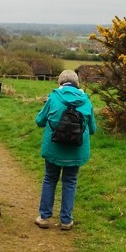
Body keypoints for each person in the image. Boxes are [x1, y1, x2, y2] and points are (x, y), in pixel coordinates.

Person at [35, 70, 97, 230]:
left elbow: (40, 121)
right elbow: (93, 129)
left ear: (60, 82)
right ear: (77, 83)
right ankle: (66, 220)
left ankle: (44, 217)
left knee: (50, 179)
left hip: (53, 148)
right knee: (70, 182)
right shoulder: (86, 100)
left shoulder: (54, 97)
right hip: (76, 150)